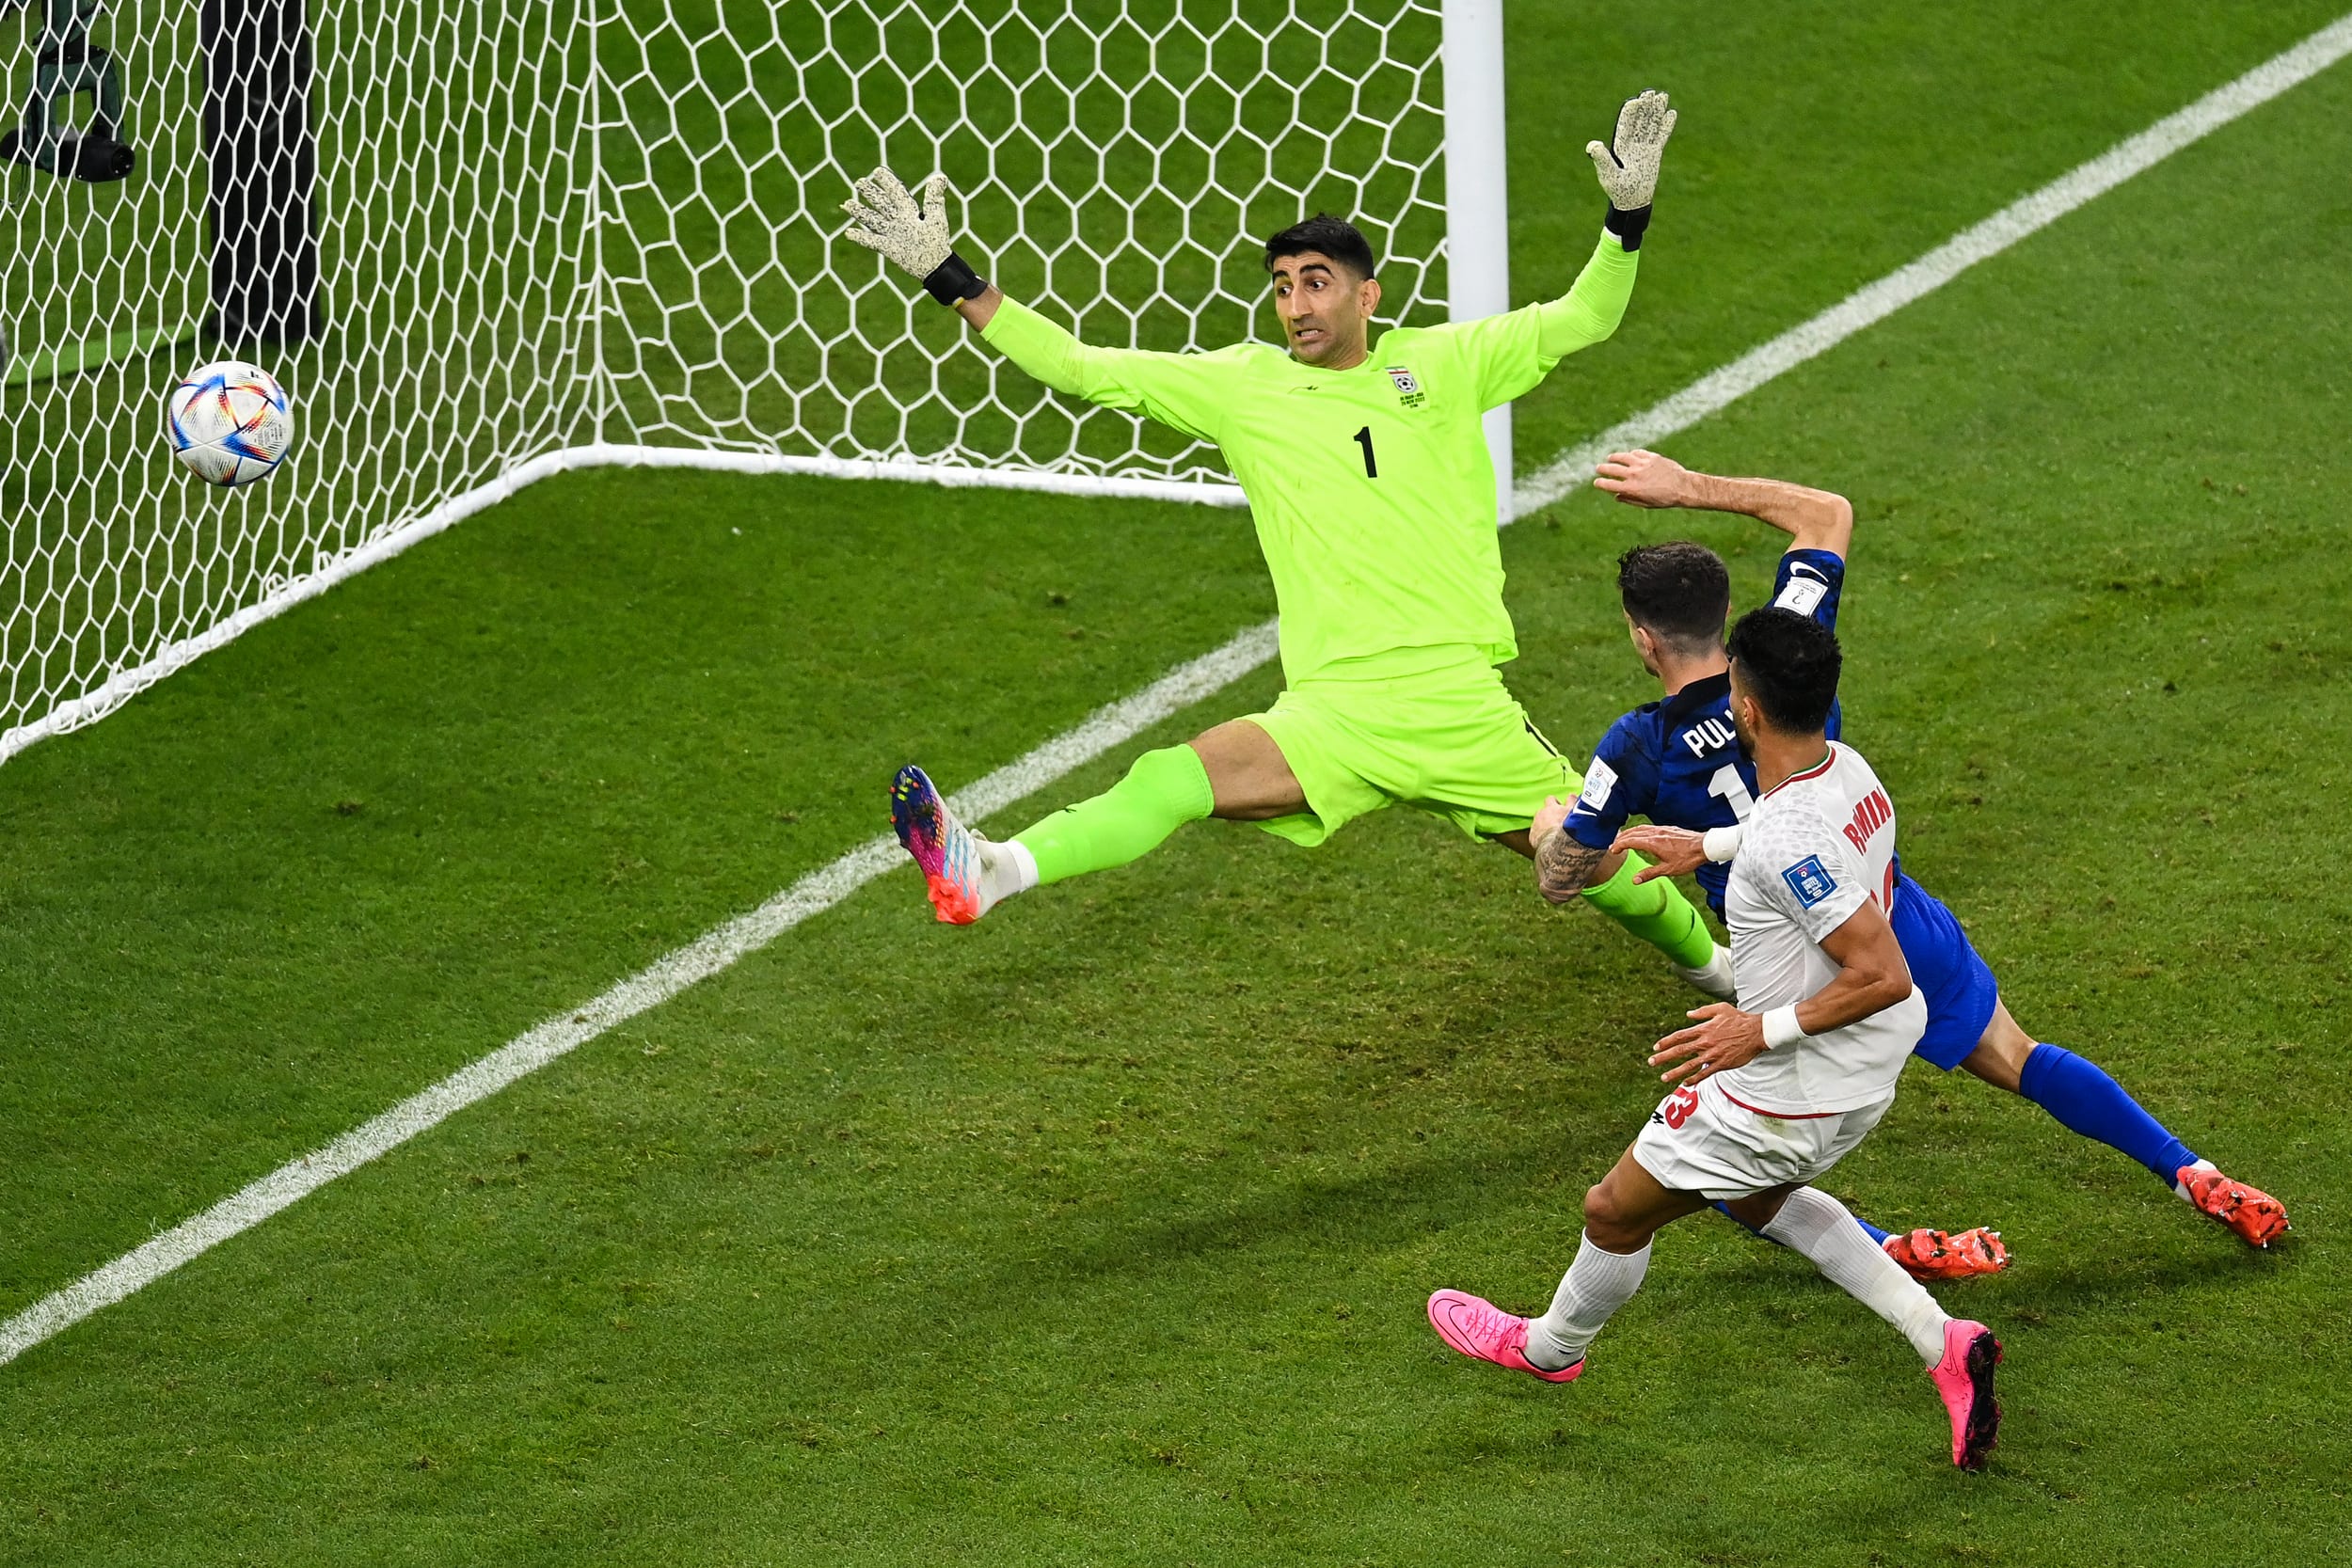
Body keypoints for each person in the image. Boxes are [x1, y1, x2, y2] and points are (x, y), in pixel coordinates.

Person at [837, 93, 1734, 999]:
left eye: (1315, 282)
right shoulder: (1243, 387)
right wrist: (950, 276)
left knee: (1598, 860)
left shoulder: (1445, 363)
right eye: (1281, 286)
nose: (1295, 305)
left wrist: (1626, 218)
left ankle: (1721, 969)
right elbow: (1081, 366)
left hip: (1458, 705)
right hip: (1332, 712)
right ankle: (995, 870)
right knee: (1172, 777)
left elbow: (1585, 315)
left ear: (1366, 294)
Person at [1540, 449, 2287, 1251]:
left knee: (1715, 1165)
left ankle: (1890, 1250)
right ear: (1722, 612)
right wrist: (1689, 488)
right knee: (2020, 1055)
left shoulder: (1637, 745)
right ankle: (2193, 1171)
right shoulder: (1789, 652)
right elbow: (1826, 512)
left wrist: (1558, 830)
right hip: (1885, 912)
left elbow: (1564, 876)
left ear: (1644, 638)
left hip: (1786, 971)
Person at [1429, 608, 2004, 1471]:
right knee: (1761, 1198)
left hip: (1789, 1088)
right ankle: (1944, 1340)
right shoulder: (1849, 769)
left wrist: (1754, 1027)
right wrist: (1710, 843)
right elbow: (1794, 843)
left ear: (1747, 707)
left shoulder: (1785, 837)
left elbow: (1881, 970)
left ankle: (1549, 1349)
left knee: (1612, 1209)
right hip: (1865, 1066)